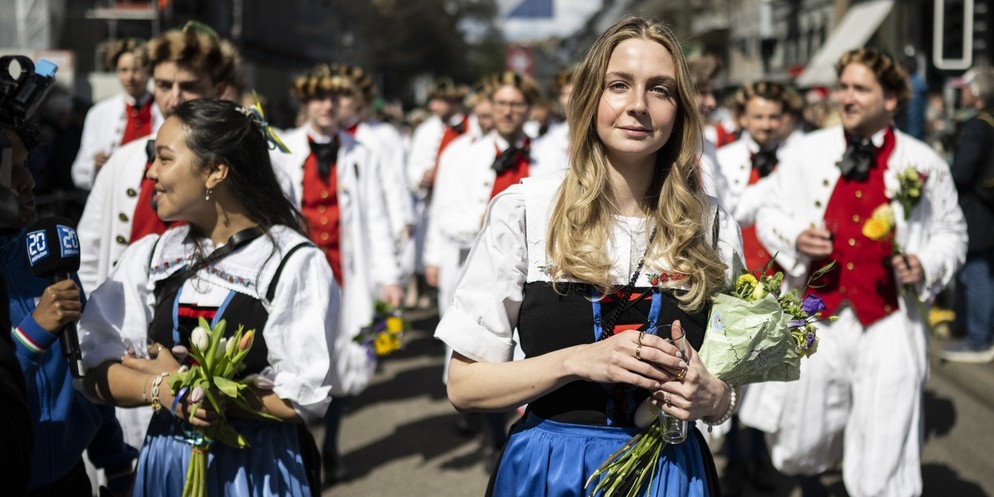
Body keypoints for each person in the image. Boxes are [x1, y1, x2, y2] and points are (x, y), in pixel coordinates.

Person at [436, 17, 744, 496]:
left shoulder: (712, 224)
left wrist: (712, 397)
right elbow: (464, 386)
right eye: (618, 85)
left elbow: (727, 390)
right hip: (550, 472)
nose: (638, 105)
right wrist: (577, 360)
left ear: (680, 109)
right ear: (589, 99)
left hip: (670, 473)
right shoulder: (525, 211)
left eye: (660, 89)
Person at [79, 98, 337, 497]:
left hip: (255, 468)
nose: (151, 171)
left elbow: (300, 400)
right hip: (168, 462)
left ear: (215, 170)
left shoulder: (291, 262)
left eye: (165, 158)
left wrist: (197, 392)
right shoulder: (153, 256)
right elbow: (95, 372)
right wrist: (161, 389)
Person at [751, 48, 968, 497]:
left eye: (860, 89)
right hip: (819, 312)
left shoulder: (923, 162)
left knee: (887, 433)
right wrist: (795, 237)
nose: (846, 97)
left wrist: (925, 263)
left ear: (890, 99)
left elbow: (952, 232)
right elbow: (770, 212)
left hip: (887, 313)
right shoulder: (808, 152)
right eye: (843, 87)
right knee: (803, 434)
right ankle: (811, 481)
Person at [76, 22, 241, 455]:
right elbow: (90, 253)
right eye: (164, 85)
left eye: (190, 86)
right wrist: (89, 335)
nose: (174, 97)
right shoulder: (124, 160)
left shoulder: (249, 164)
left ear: (219, 88)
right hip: (127, 361)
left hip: (211, 367)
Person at [272, 63, 403, 486]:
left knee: (342, 361)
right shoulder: (282, 149)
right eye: (317, 98)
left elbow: (378, 218)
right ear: (304, 102)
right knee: (297, 361)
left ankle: (331, 446)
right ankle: (301, 452)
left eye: (333, 97)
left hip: (346, 275)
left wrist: (390, 277)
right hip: (298, 277)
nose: (327, 106)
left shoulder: (361, 153)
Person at [2, 123, 138, 496]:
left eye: (26, 164)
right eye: (11, 170)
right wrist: (32, 335)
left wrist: (115, 460)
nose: (29, 181)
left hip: (71, 478)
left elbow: (85, 361)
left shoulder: (48, 252)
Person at [942, 67, 994, 363]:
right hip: (988, 207)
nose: (960, 92)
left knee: (975, 271)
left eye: (964, 88)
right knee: (981, 269)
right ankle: (972, 329)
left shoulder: (977, 125)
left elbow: (962, 172)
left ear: (975, 93)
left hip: (976, 210)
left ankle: (978, 340)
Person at [72, 38, 162, 191]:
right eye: (123, 70)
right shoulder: (99, 112)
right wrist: (95, 164)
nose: (130, 77)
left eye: (136, 70)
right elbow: (79, 172)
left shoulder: (162, 109)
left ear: (148, 71)